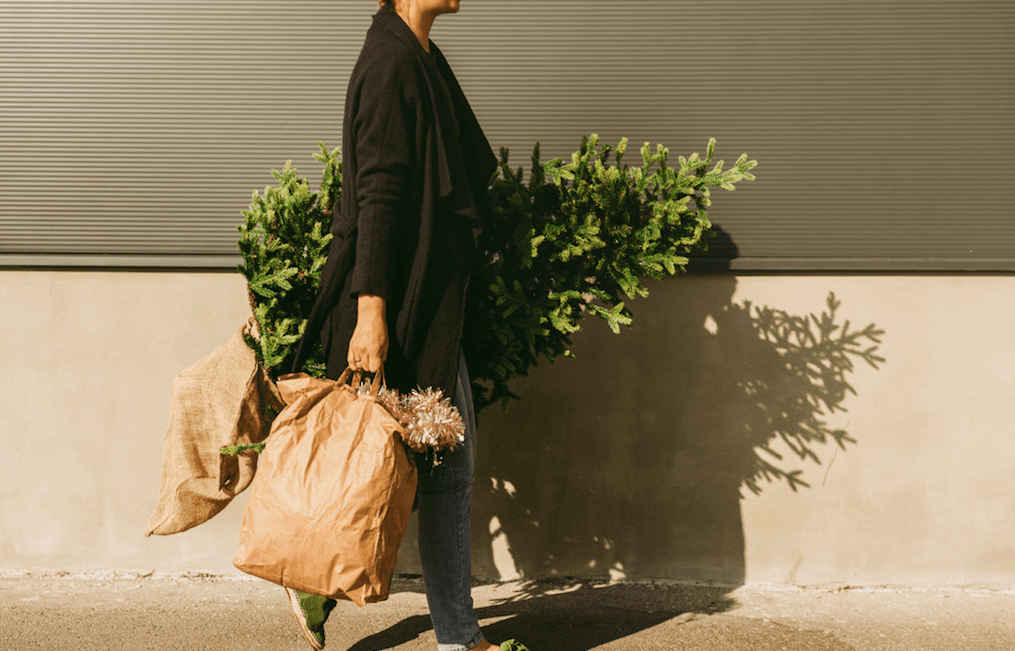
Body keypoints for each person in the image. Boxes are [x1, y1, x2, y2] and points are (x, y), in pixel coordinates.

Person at [285, 2, 524, 650]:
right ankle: (451, 633)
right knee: (424, 461)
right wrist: (371, 312)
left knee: (431, 462)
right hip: (400, 302)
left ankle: (441, 629)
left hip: (428, 298)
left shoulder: (418, 56)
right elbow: (379, 193)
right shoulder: (391, 63)